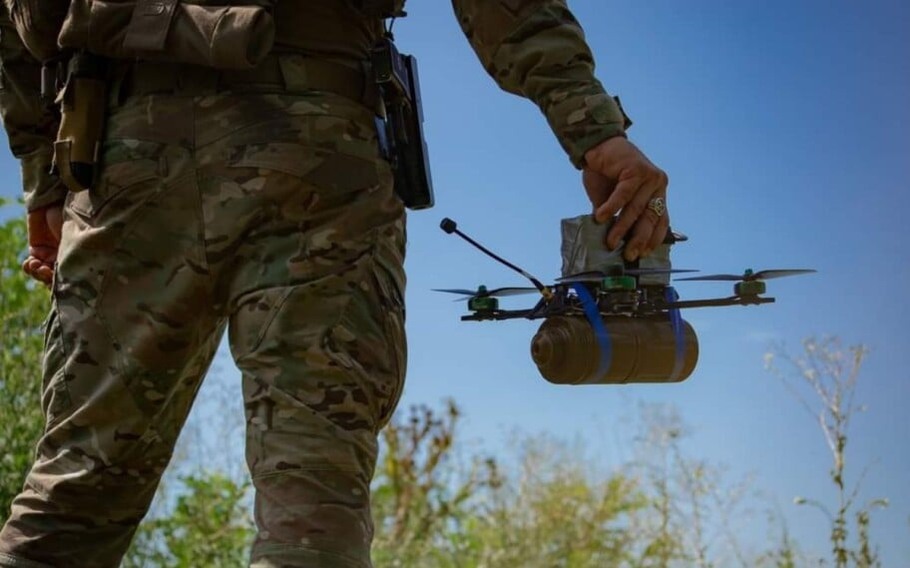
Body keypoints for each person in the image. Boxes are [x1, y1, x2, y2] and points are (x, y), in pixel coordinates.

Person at [0, 1, 669, 566]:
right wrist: (592, 127)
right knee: (312, 507)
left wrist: (45, 177)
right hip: (317, 155)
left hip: (121, 159)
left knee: (76, 492)